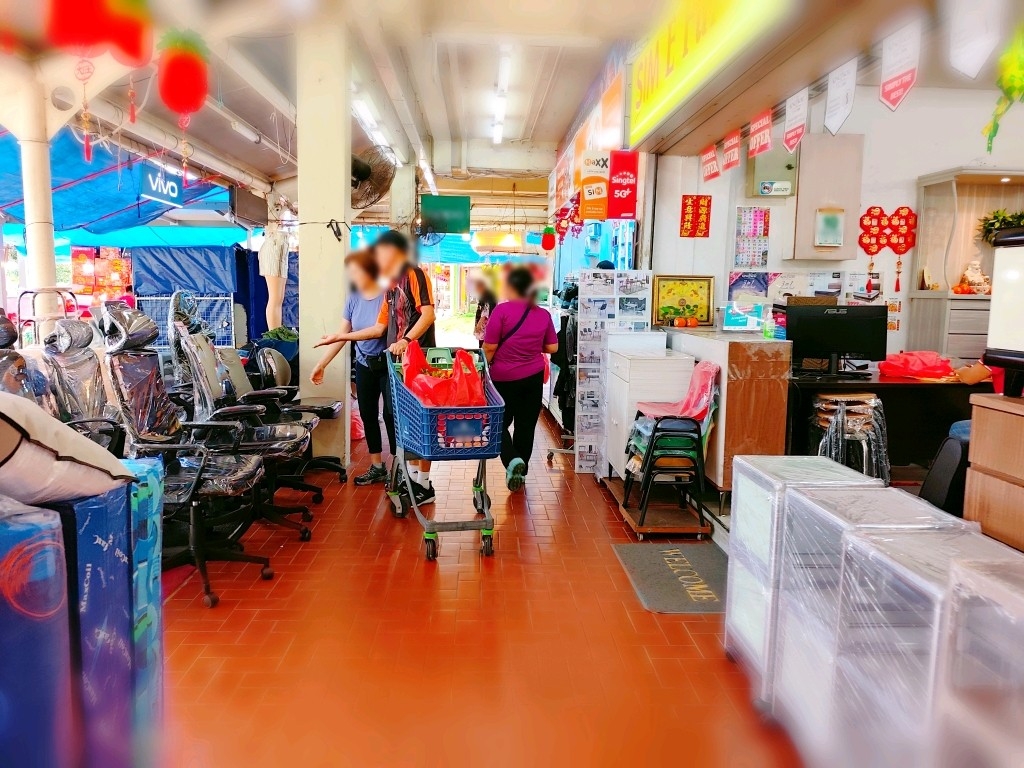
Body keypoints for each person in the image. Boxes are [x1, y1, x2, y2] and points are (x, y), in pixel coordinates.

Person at [315, 230, 437, 505]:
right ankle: (413, 483)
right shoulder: (390, 289)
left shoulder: (414, 274)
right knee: (406, 422)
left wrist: (406, 340)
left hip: (418, 361)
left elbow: (428, 314)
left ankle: (424, 485)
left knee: (415, 421)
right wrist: (340, 337)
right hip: (400, 366)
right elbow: (379, 328)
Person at [310, 248, 394, 485]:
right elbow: (341, 335)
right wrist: (322, 364)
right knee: (368, 415)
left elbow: (378, 331)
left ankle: (398, 467)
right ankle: (377, 467)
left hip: (388, 364)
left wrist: (340, 337)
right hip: (365, 364)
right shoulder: (353, 298)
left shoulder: (388, 296)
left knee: (391, 416)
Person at [483, 267, 558, 492]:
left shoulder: (502, 311)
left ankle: (512, 460)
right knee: (526, 427)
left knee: (496, 423)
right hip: (533, 379)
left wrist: (483, 370)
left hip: (503, 379)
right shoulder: (543, 314)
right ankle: (520, 474)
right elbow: (552, 347)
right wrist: (532, 345)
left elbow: (489, 347)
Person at [471, 273, 498, 346]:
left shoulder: (489, 296)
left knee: (484, 345)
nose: (476, 288)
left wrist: (479, 324)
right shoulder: (484, 296)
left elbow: (485, 313)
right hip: (484, 328)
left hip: (485, 328)